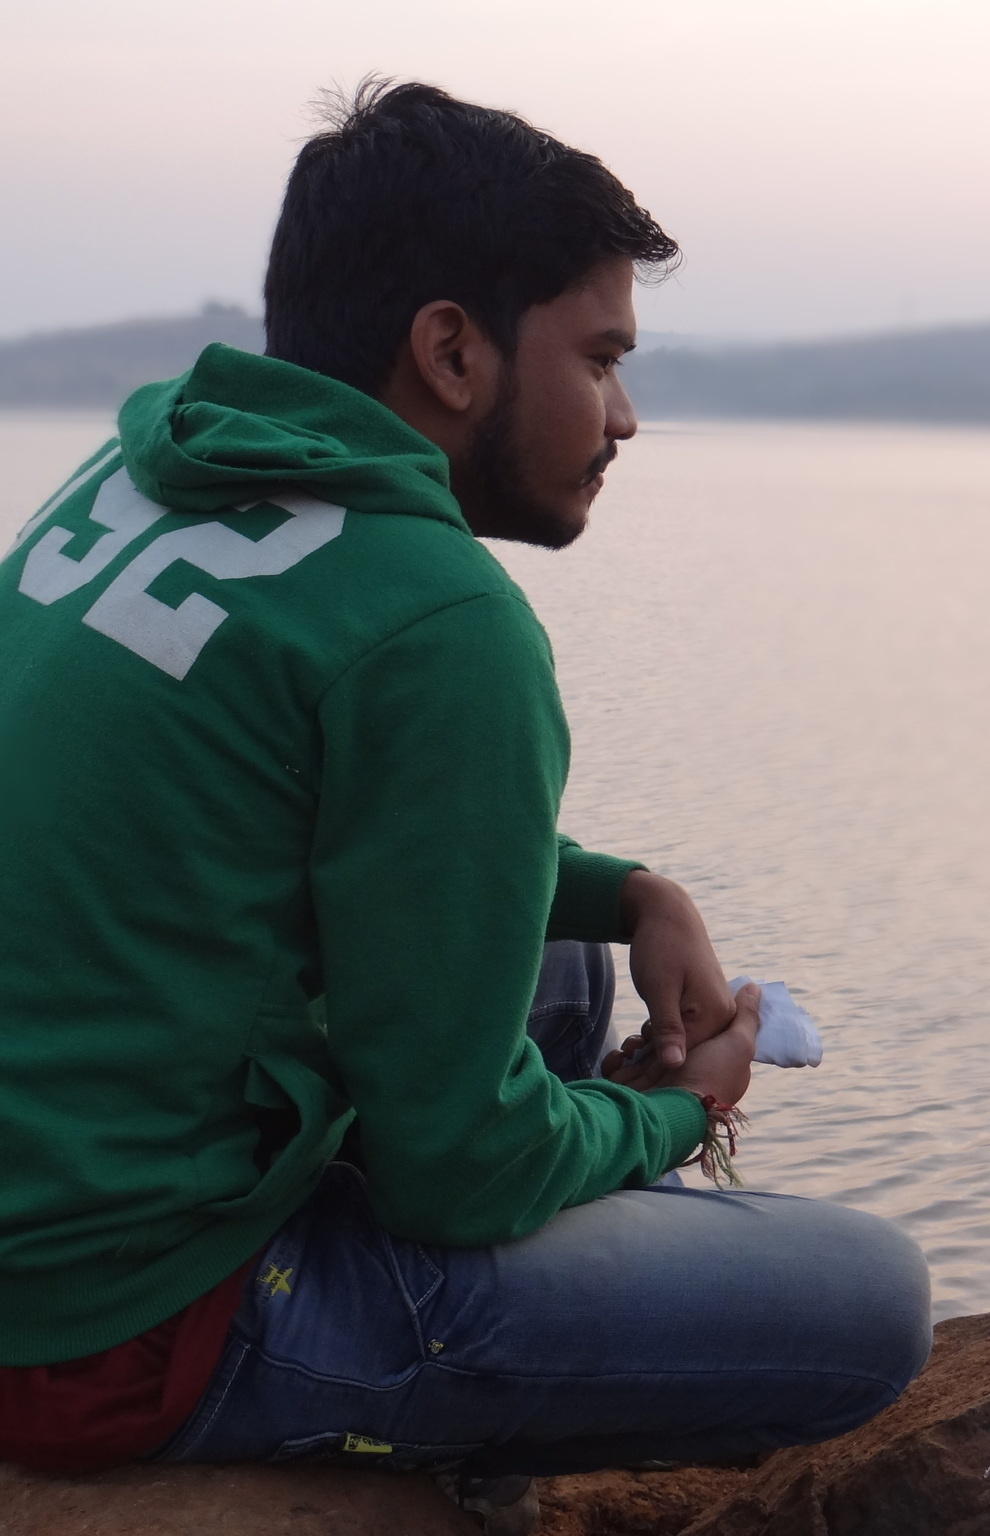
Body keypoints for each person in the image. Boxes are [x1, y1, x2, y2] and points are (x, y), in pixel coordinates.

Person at [0, 79, 930, 1529]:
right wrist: (672, 1112)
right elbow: (461, 1174)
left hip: (51, 1197)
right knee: (869, 1303)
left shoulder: (140, 479)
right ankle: (420, 1441)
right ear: (451, 350)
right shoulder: (439, 620)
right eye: (600, 359)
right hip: (111, 1327)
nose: (624, 416)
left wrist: (633, 895)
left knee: (563, 958)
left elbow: (341, 825)